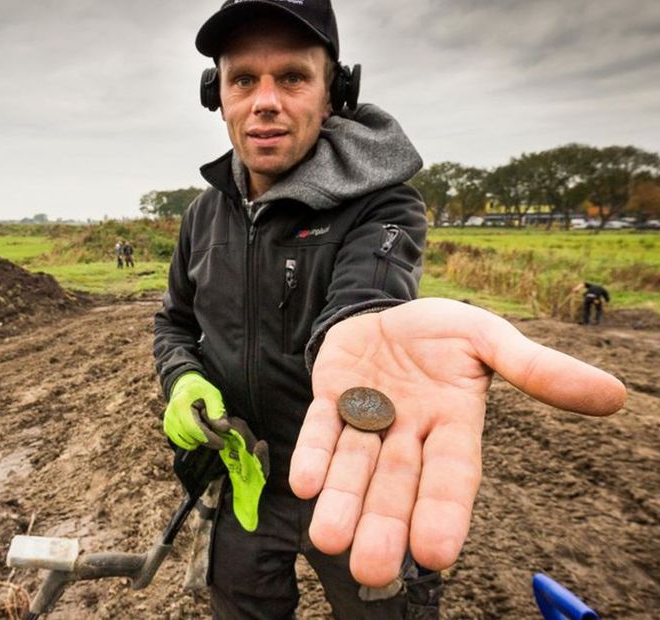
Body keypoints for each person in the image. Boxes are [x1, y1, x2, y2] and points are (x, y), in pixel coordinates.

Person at [153, 2, 626, 618]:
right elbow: (174, 324)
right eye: (243, 79)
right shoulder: (201, 215)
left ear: (334, 94)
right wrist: (183, 378)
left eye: (292, 77)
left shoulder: (383, 205)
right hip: (245, 479)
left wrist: (358, 332)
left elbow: (367, 298)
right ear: (217, 94)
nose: (265, 100)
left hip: (357, 471)